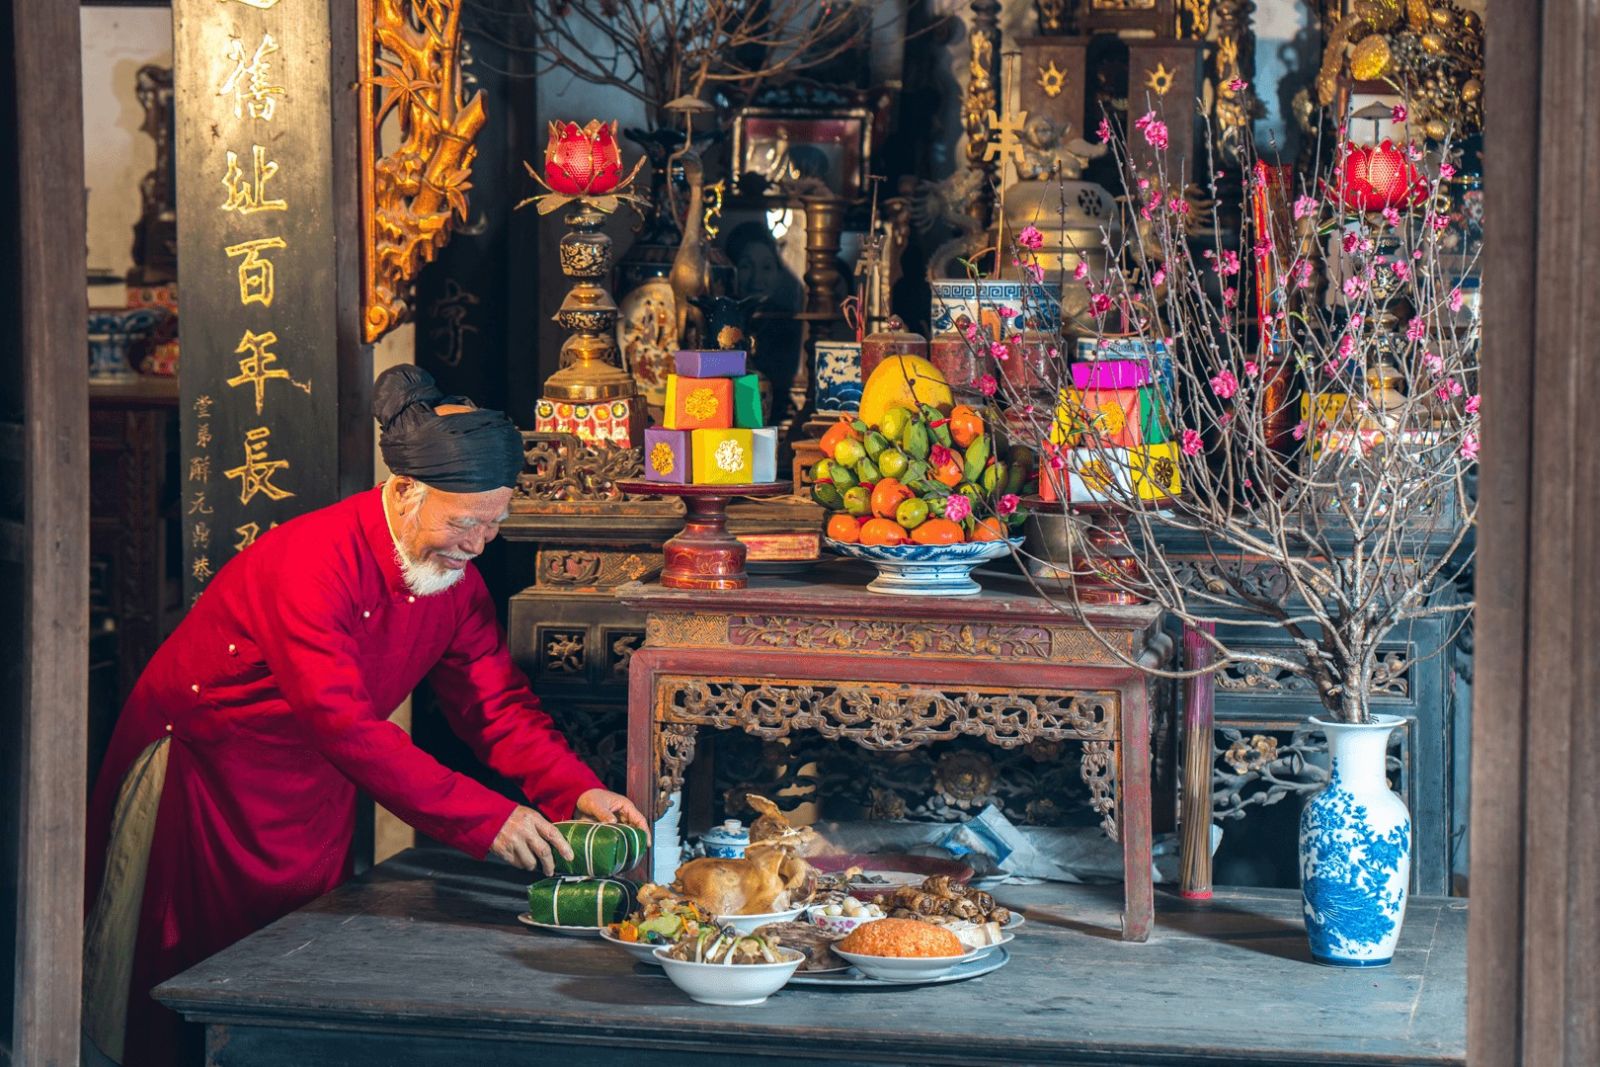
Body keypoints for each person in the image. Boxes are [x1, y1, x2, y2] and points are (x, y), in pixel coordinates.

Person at [82, 366, 647, 1066]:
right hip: (209, 775)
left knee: (292, 964)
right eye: (464, 522)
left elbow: (495, 705)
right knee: (188, 976)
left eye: (494, 525)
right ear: (406, 491)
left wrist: (575, 788)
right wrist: (488, 819)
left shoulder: (454, 580)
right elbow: (344, 723)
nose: (477, 545)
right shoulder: (312, 562)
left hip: (314, 782)